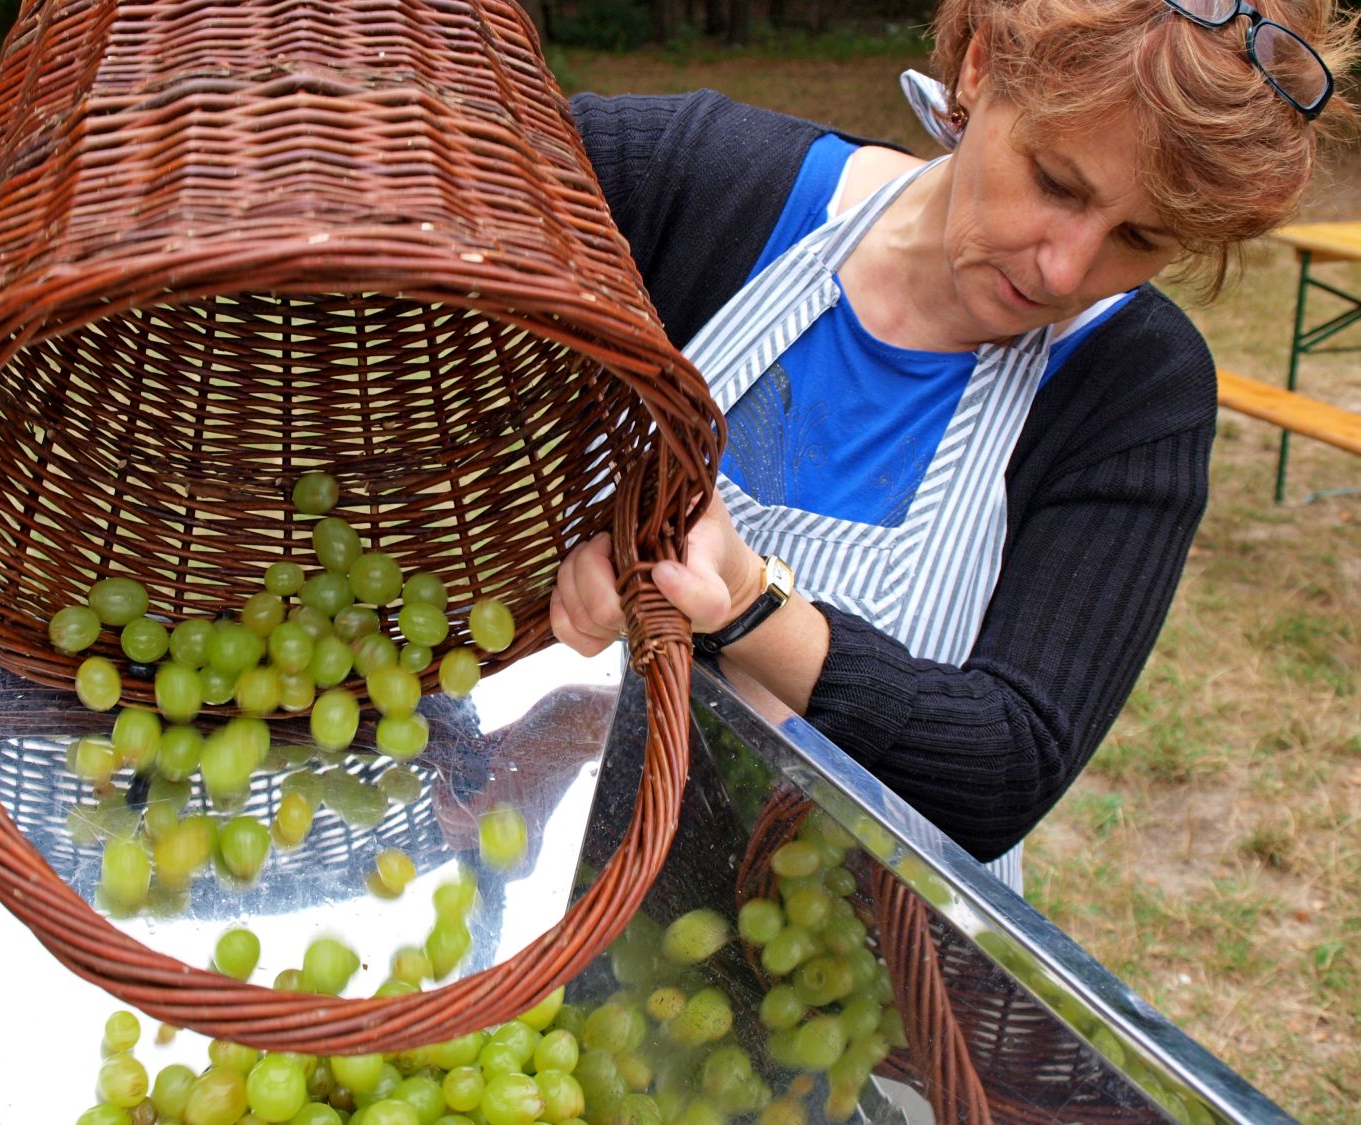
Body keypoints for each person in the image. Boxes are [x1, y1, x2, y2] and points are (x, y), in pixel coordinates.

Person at [548, 0, 1358, 889]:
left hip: (848, 947)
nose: (1064, 269)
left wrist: (748, 605)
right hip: (553, 847)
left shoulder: (1136, 388)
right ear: (978, 67)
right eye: (1056, 181)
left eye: (1139, 237)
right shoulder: (692, 181)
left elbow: (1004, 765)